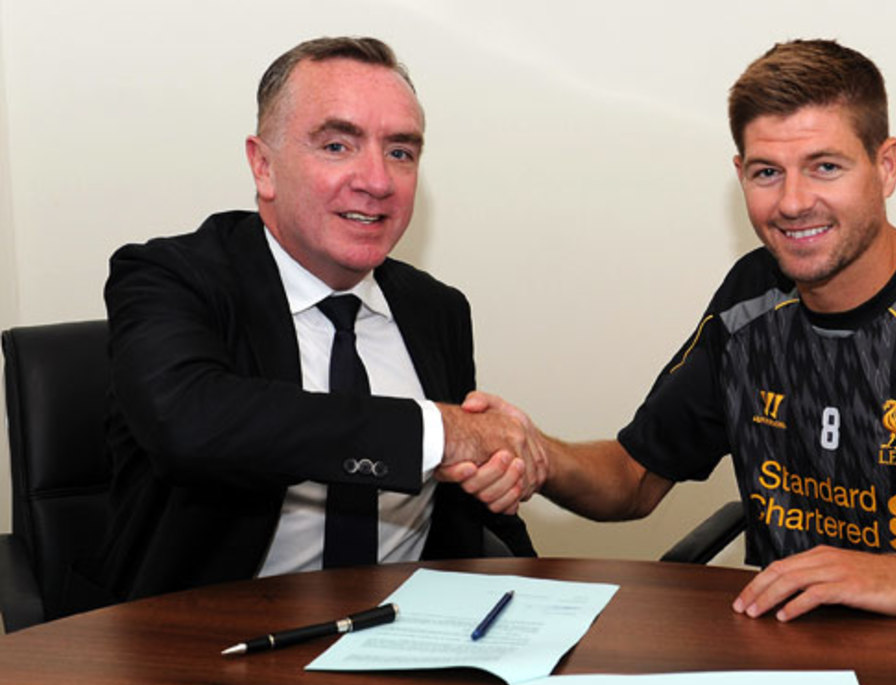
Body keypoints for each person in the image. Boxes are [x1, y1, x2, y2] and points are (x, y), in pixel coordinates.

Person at [451, 39, 896, 630]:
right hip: (790, 666)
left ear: (885, 167)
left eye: (825, 166)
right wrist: (537, 452)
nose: (792, 203)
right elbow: (633, 480)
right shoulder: (750, 298)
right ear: (740, 176)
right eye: (767, 172)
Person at [67, 37, 544, 610]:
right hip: (207, 646)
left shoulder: (437, 310)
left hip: (405, 639)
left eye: (401, 152)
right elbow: (188, 423)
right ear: (263, 166)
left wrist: (495, 481)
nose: (377, 180)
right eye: (338, 145)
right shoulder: (170, 277)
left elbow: (468, 509)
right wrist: (438, 434)